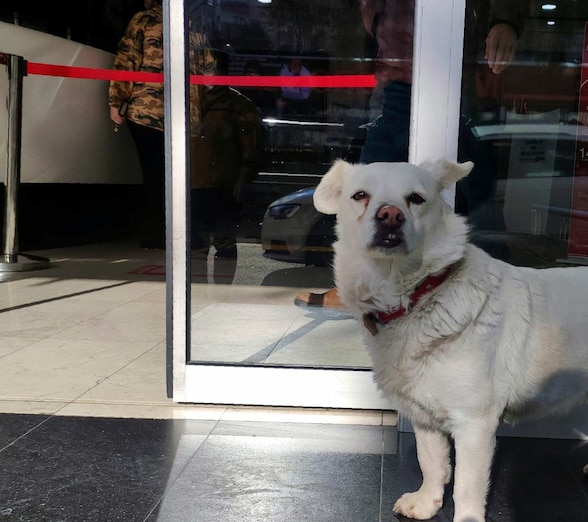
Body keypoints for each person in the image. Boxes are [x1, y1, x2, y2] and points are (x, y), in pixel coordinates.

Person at [294, 0, 523, 310]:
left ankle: (479, 282)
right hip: (398, 65)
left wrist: (505, 20)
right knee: (387, 178)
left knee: (463, 184)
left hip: (446, 63)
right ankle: (363, 288)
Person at [108, 0, 213, 250]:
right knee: (183, 177)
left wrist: (116, 102)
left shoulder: (143, 20)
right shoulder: (193, 26)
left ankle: (160, 233)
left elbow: (127, 60)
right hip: (187, 115)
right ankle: (188, 233)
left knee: (154, 175)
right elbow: (209, 74)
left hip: (146, 112)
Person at [189, 51, 263, 284]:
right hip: (194, 184)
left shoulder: (239, 105)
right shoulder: (189, 101)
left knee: (224, 243)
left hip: (225, 185)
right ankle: (196, 296)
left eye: (211, 67)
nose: (207, 73)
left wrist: (244, 178)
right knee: (196, 245)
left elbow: (252, 146)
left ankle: (220, 296)